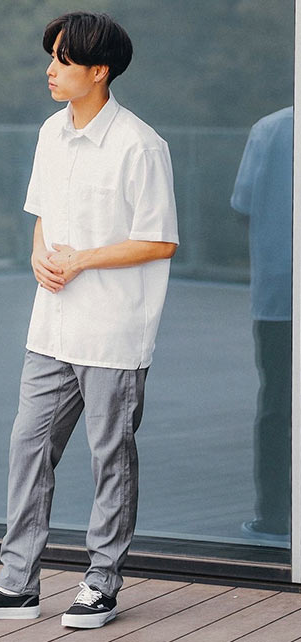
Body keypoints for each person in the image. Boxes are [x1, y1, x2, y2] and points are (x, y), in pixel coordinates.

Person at [0, 11, 179, 629]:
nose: (50, 69)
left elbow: (160, 240)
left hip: (113, 331)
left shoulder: (140, 146)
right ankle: (17, 584)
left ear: (99, 71)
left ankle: (101, 584)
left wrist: (82, 260)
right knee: (28, 449)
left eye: (63, 60)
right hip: (51, 327)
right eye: (51, 56)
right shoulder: (51, 131)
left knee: (110, 458)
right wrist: (39, 255)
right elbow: (43, 213)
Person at [230, 106, 293, 542]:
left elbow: (242, 205)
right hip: (279, 296)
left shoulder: (270, 128)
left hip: (278, 294)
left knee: (277, 406)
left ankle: (273, 516)